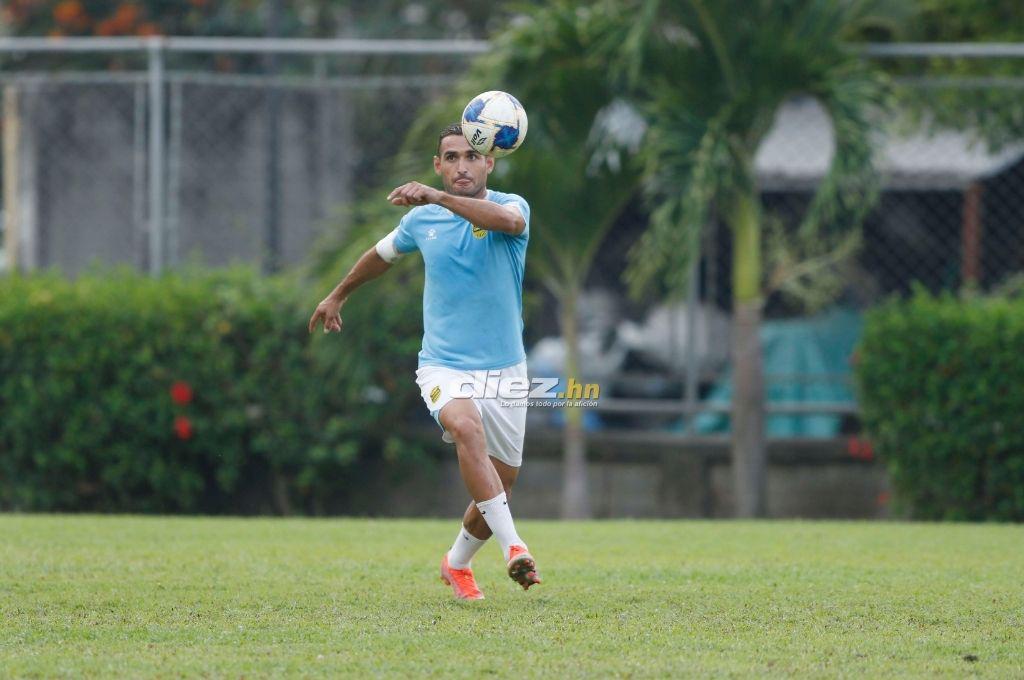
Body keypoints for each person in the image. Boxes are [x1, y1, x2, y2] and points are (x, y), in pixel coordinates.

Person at [308, 124, 540, 600]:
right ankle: (514, 547)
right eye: (450, 158)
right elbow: (380, 255)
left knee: (500, 485)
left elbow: (509, 225)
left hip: (505, 370)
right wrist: (338, 294)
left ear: (489, 163)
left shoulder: (511, 207)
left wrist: (437, 197)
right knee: (466, 428)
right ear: (438, 163)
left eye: (472, 157)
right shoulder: (422, 222)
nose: (461, 166)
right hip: (443, 365)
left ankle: (456, 564)